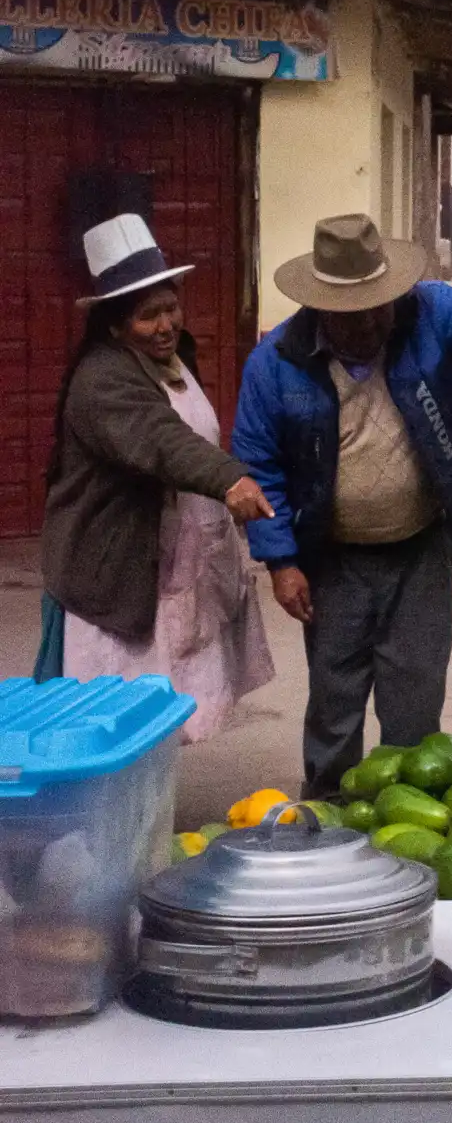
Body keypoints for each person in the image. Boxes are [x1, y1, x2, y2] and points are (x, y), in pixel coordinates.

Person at [232, 213, 452, 797]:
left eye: (381, 305)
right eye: (354, 313)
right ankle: (327, 816)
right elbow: (259, 466)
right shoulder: (276, 362)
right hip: (331, 560)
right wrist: (282, 562)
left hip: (420, 549)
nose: (372, 321)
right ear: (321, 306)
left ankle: (408, 821)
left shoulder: (428, 312)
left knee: (416, 700)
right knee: (334, 698)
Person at [42, 214, 275, 735]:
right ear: (114, 325)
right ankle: (119, 814)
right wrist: (229, 479)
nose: (167, 324)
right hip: (121, 571)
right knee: (117, 720)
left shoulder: (171, 361)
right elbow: (160, 439)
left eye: (171, 307)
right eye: (149, 316)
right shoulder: (102, 379)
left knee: (168, 712)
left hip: (181, 561)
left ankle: (154, 806)